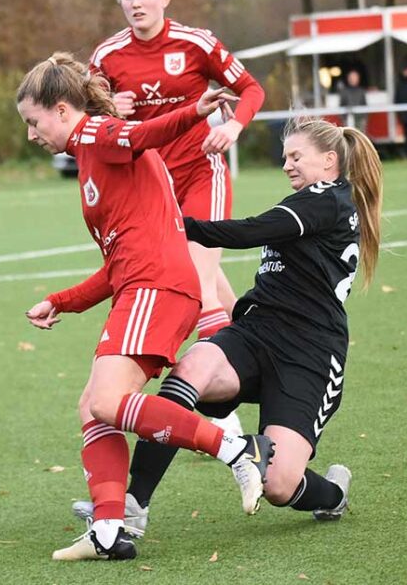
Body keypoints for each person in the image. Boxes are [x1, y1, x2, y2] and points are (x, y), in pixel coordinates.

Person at [18, 53, 274, 562]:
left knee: (108, 402)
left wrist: (195, 112)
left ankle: (235, 449)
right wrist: (61, 301)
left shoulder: (95, 135)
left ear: (63, 110)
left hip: (155, 287)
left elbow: (140, 135)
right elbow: (116, 265)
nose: (30, 135)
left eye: (33, 121)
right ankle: (110, 530)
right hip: (142, 284)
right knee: (93, 406)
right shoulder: (92, 156)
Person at [89, 116, 383, 531]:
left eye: (296, 156)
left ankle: (333, 493)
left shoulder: (328, 199)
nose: (287, 165)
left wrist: (175, 227)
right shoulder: (314, 200)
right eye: (285, 157)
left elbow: (249, 231)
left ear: (329, 160)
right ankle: (135, 504)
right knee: (191, 368)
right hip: (257, 331)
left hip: (310, 354)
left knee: (279, 485)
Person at [77, 0, 266, 530]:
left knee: (198, 278)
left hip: (201, 173)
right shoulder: (106, 54)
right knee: (219, 301)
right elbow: (89, 115)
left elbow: (252, 88)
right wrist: (117, 105)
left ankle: (222, 421)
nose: (135, 3)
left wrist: (232, 125)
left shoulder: (197, 43)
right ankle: (255, 366)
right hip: (150, 184)